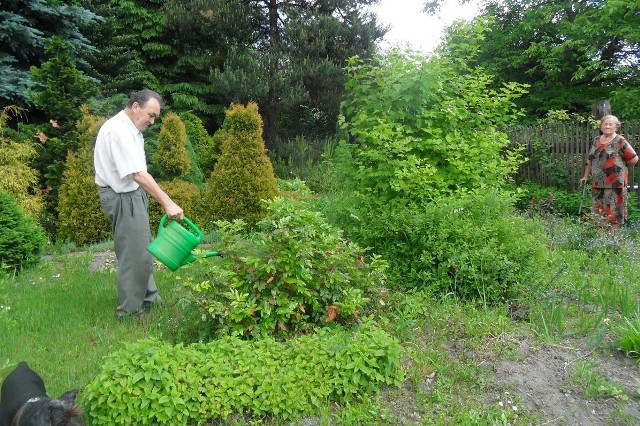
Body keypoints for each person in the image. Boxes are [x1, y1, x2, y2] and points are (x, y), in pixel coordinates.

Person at [94, 89, 184, 319]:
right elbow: (138, 174)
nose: (152, 121)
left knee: (142, 249)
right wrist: (168, 203)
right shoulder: (119, 132)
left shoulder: (132, 129)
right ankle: (130, 311)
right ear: (136, 107)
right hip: (123, 198)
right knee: (133, 255)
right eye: (151, 115)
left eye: (155, 117)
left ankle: (149, 298)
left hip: (132, 196)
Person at [580, 114, 638, 235]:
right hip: (598, 183)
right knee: (599, 211)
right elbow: (590, 160)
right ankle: (600, 239)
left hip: (615, 184)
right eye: (605, 124)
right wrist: (585, 176)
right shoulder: (597, 140)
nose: (607, 126)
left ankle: (612, 239)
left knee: (614, 212)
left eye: (610, 124)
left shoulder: (620, 141)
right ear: (601, 126)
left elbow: (634, 158)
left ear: (616, 127)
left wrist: (621, 169)